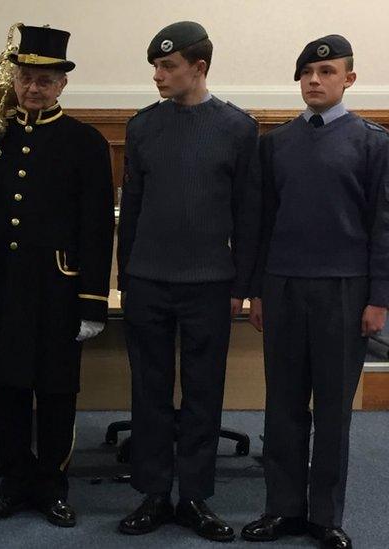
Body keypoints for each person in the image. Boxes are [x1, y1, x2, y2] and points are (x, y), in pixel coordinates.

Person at [0, 24, 114, 528]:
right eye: (25, 77)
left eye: (45, 80)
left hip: (57, 288)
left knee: (56, 389)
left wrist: (91, 301)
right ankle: (13, 479)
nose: (33, 88)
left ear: (62, 84)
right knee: (5, 385)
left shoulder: (84, 141)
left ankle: (52, 483)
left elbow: (95, 228)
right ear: (13, 79)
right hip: (1, 285)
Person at [241, 35, 388, 549]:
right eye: (306, 72)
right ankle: (282, 509)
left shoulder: (373, 143)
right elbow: (261, 223)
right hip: (282, 287)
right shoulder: (275, 143)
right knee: (281, 405)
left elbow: (383, 226)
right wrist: (256, 289)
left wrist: (379, 299)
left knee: (332, 410)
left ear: (348, 78)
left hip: (344, 292)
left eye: (326, 71)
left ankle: (325, 516)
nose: (314, 80)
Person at [116, 21, 260, 542]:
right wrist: (125, 275)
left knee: (204, 392)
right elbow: (130, 208)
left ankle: (195, 497)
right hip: (148, 280)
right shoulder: (142, 127)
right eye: (155, 66)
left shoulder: (238, 129)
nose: (158, 75)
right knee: (148, 390)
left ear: (199, 68)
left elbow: (249, 215)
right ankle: (154, 494)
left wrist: (243, 284)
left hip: (210, 283)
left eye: (168, 66)